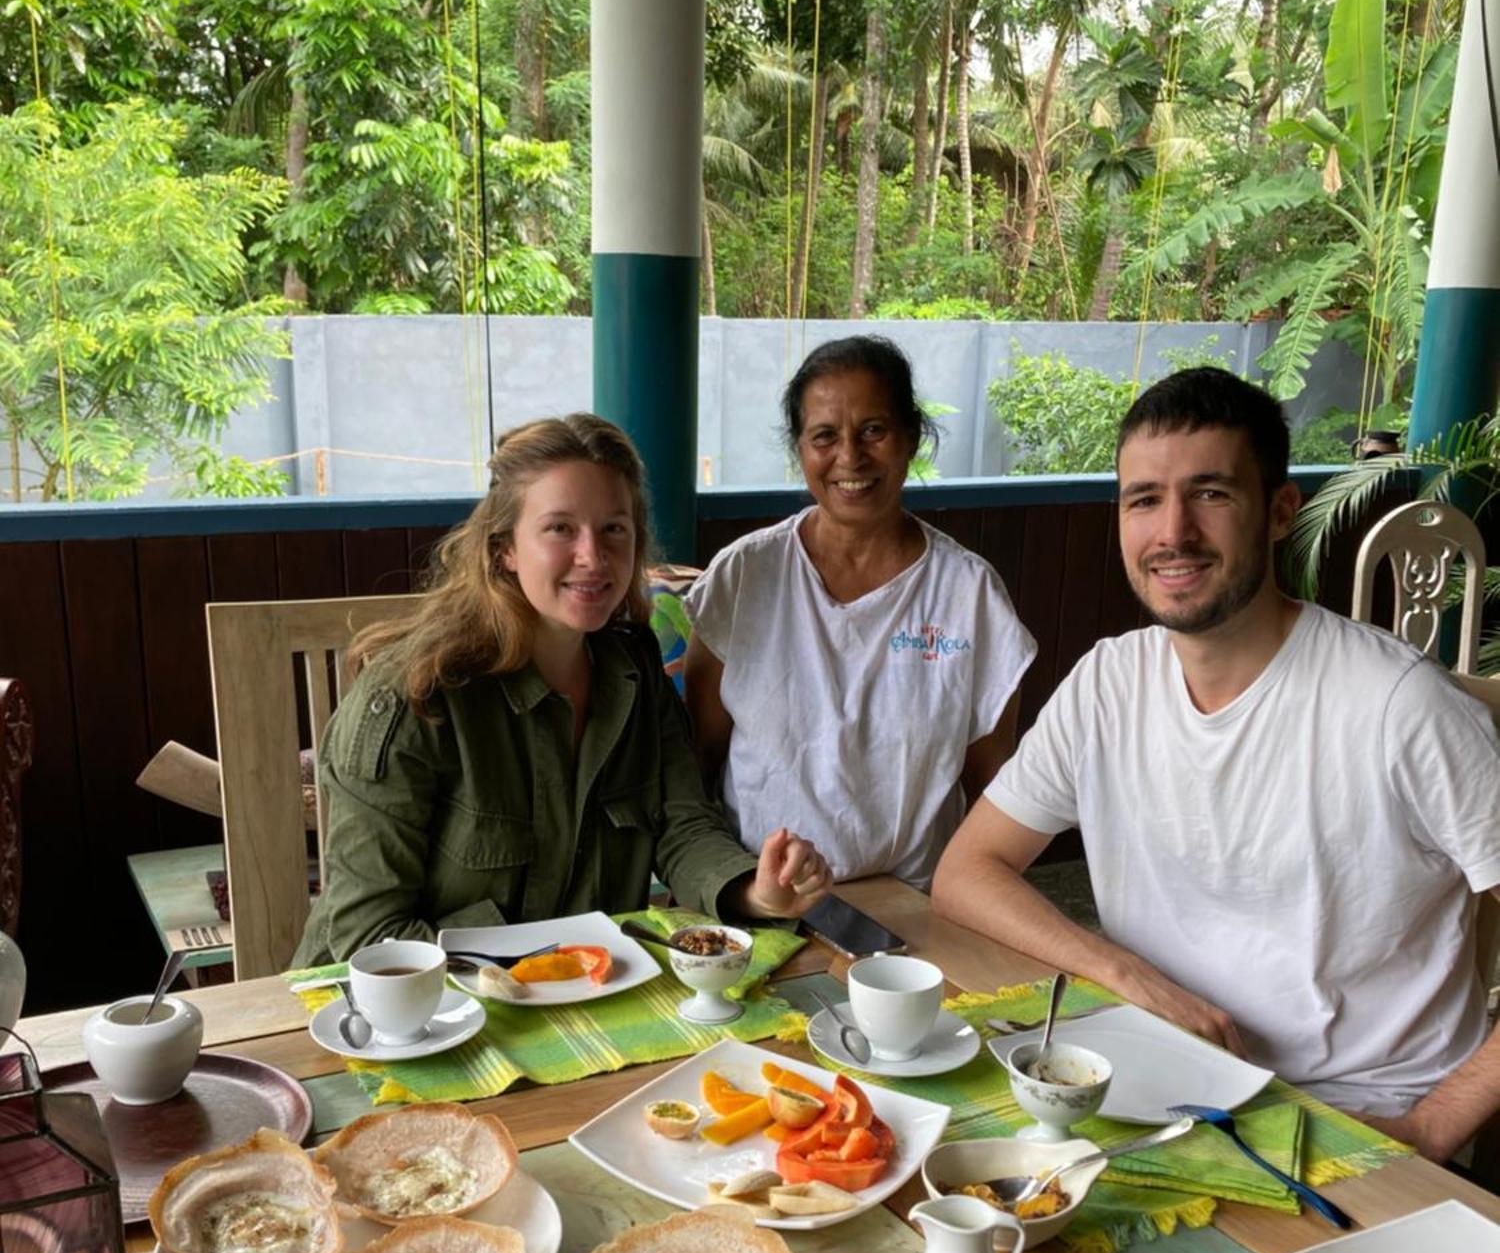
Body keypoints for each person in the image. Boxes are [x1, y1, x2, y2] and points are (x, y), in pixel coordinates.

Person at [932, 366, 1500, 1162]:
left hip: (1357, 1115)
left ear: (1278, 512)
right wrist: (1126, 974)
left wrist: (1433, 1127)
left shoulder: (1398, 705)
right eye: (1143, 500)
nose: (1173, 534)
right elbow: (967, 869)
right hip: (1165, 1084)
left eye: (1210, 494)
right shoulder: (1109, 681)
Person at [296, 415, 831, 964]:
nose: (593, 557)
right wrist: (540, 970)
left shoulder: (634, 666)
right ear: (504, 547)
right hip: (400, 1012)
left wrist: (756, 892)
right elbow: (367, 932)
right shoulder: (416, 696)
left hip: (584, 997)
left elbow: (682, 824)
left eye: (613, 530)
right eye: (559, 529)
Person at [684, 335, 1035, 889]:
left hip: (911, 904)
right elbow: (702, 760)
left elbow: (994, 789)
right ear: (799, 448)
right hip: (759, 896)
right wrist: (732, 892)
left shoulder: (968, 595)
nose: (849, 457)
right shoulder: (744, 576)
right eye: (824, 435)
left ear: (911, 438)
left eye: (874, 430)